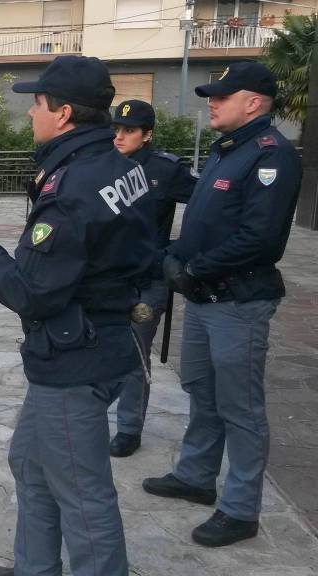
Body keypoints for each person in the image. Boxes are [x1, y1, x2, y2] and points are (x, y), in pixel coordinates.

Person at [0, 55, 155, 576]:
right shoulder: (120, 164)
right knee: (29, 463)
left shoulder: (71, 186)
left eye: (37, 105)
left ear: (65, 112)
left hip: (76, 360)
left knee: (82, 493)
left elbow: (33, 293)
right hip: (102, 339)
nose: (30, 114)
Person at [143, 61, 301, 548]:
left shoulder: (271, 155)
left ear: (253, 102)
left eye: (222, 96)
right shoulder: (227, 150)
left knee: (241, 407)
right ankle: (195, 477)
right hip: (204, 297)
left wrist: (193, 269)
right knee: (202, 392)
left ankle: (240, 509)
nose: (211, 101)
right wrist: (174, 255)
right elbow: (205, 221)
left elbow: (260, 239)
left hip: (238, 300)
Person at [110, 99, 198, 457]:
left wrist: (177, 252)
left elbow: (210, 206)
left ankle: (129, 428)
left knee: (134, 354)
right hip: (108, 278)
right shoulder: (103, 165)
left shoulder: (166, 169)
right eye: (116, 129)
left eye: (129, 131)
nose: (119, 137)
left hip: (146, 280)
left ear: (147, 134)